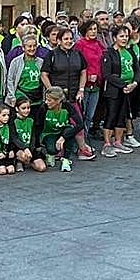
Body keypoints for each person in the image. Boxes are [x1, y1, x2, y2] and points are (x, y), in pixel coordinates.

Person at [40, 27, 93, 159]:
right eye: (65, 39)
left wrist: (81, 89)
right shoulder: (51, 55)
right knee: (58, 123)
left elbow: (83, 72)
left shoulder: (77, 54)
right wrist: (52, 93)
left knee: (77, 122)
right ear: (59, 41)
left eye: (71, 39)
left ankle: (82, 148)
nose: (69, 41)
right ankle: (58, 149)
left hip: (74, 95)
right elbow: (44, 75)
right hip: (58, 97)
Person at [99, 26, 139, 158]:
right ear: (115, 38)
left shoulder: (130, 51)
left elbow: (137, 69)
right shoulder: (108, 53)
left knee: (123, 116)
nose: (124, 39)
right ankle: (107, 144)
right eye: (121, 36)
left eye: (126, 36)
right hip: (113, 90)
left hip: (129, 90)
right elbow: (107, 74)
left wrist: (134, 83)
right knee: (111, 115)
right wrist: (123, 85)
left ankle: (118, 141)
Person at [34, 86, 79, 172]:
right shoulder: (43, 108)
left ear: (58, 101)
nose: (47, 102)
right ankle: (50, 153)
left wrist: (63, 137)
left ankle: (66, 159)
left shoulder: (67, 107)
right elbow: (38, 126)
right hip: (48, 133)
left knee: (71, 129)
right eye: (46, 99)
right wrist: (37, 145)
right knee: (52, 149)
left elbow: (80, 125)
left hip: (62, 132)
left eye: (49, 100)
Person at [74, 20, 103, 139]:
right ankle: (80, 140)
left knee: (90, 115)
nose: (93, 31)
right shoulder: (80, 44)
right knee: (81, 114)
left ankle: (85, 138)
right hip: (84, 83)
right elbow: (79, 64)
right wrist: (89, 75)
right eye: (91, 29)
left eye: (95, 29)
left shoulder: (99, 44)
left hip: (96, 84)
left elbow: (102, 62)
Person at [9, 96, 45, 173]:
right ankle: (18, 160)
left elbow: (33, 137)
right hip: (18, 148)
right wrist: (25, 148)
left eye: (28, 108)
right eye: (23, 108)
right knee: (23, 155)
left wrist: (31, 149)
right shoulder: (13, 120)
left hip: (30, 148)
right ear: (17, 109)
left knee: (42, 167)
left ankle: (28, 162)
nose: (26, 110)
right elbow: (14, 138)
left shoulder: (31, 119)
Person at [7, 34, 45, 106]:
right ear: (23, 48)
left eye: (34, 46)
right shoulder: (16, 62)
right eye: (29, 46)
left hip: (37, 97)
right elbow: (10, 80)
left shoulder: (41, 62)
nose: (32, 48)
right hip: (22, 94)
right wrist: (12, 96)